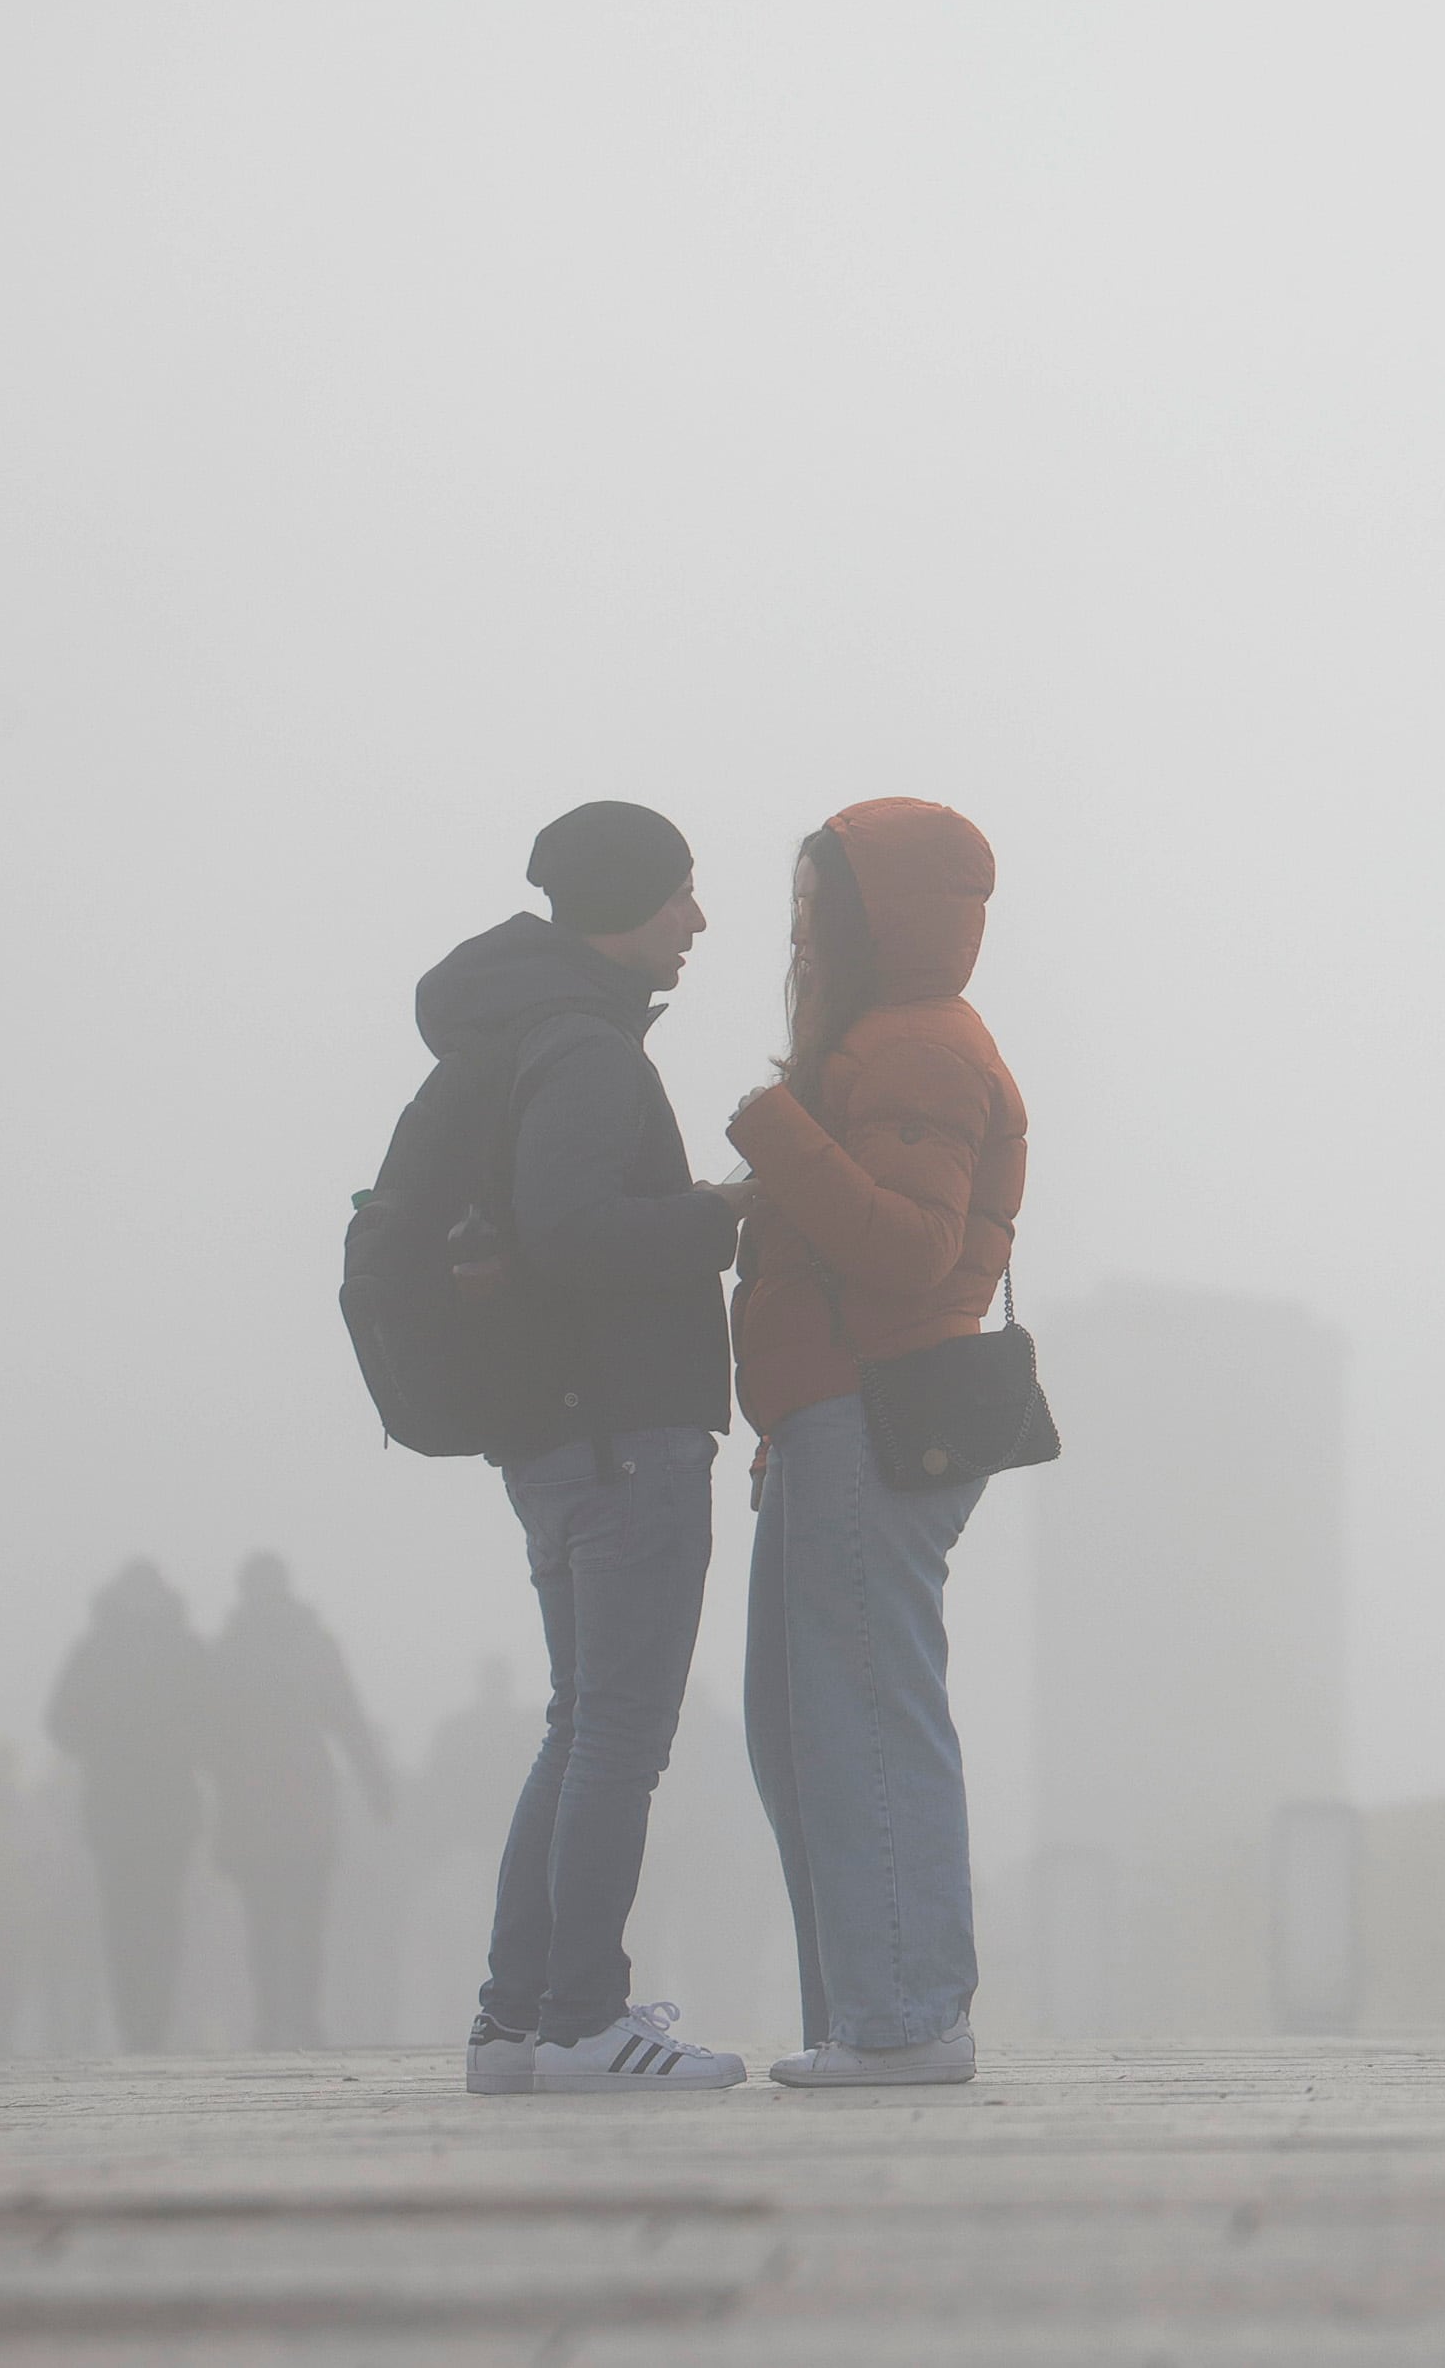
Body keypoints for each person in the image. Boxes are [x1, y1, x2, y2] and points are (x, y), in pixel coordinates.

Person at [416, 801, 749, 2092]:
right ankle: (578, 2017)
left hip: (556, 1438)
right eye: (677, 895)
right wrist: (713, 1215)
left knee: (581, 1724)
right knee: (620, 1732)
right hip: (624, 1434)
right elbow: (571, 1229)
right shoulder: (591, 1053)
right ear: (623, 905)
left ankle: (517, 2023)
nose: (698, 920)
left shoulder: (515, 1034)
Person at [729, 798, 1025, 2089]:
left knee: (861, 1720)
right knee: (798, 1731)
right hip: (828, 1414)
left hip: (874, 1410)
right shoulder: (881, 1043)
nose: (793, 932)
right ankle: (866, 2010)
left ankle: (904, 2018)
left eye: (813, 905)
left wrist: (778, 1138)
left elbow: (907, 1246)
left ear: (873, 917)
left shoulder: (916, 1047)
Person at [204, 1551, 394, 2050]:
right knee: (272, 1918)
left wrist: (374, 1779)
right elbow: (345, 1714)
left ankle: (292, 2020)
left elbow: (345, 1713)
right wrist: (374, 1781)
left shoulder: (235, 1648)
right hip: (274, 1798)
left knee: (292, 1918)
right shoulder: (283, 1645)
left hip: (279, 1799)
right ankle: (283, 2020)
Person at [44, 1558, 212, 2052]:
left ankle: (152, 2020)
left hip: (165, 1808)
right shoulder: (98, 1651)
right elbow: (60, 1721)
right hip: (118, 1807)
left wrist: (184, 1745)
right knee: (123, 1919)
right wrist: (109, 1744)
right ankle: (134, 2022)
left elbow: (215, 1717)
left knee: (161, 1916)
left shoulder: (181, 1649)